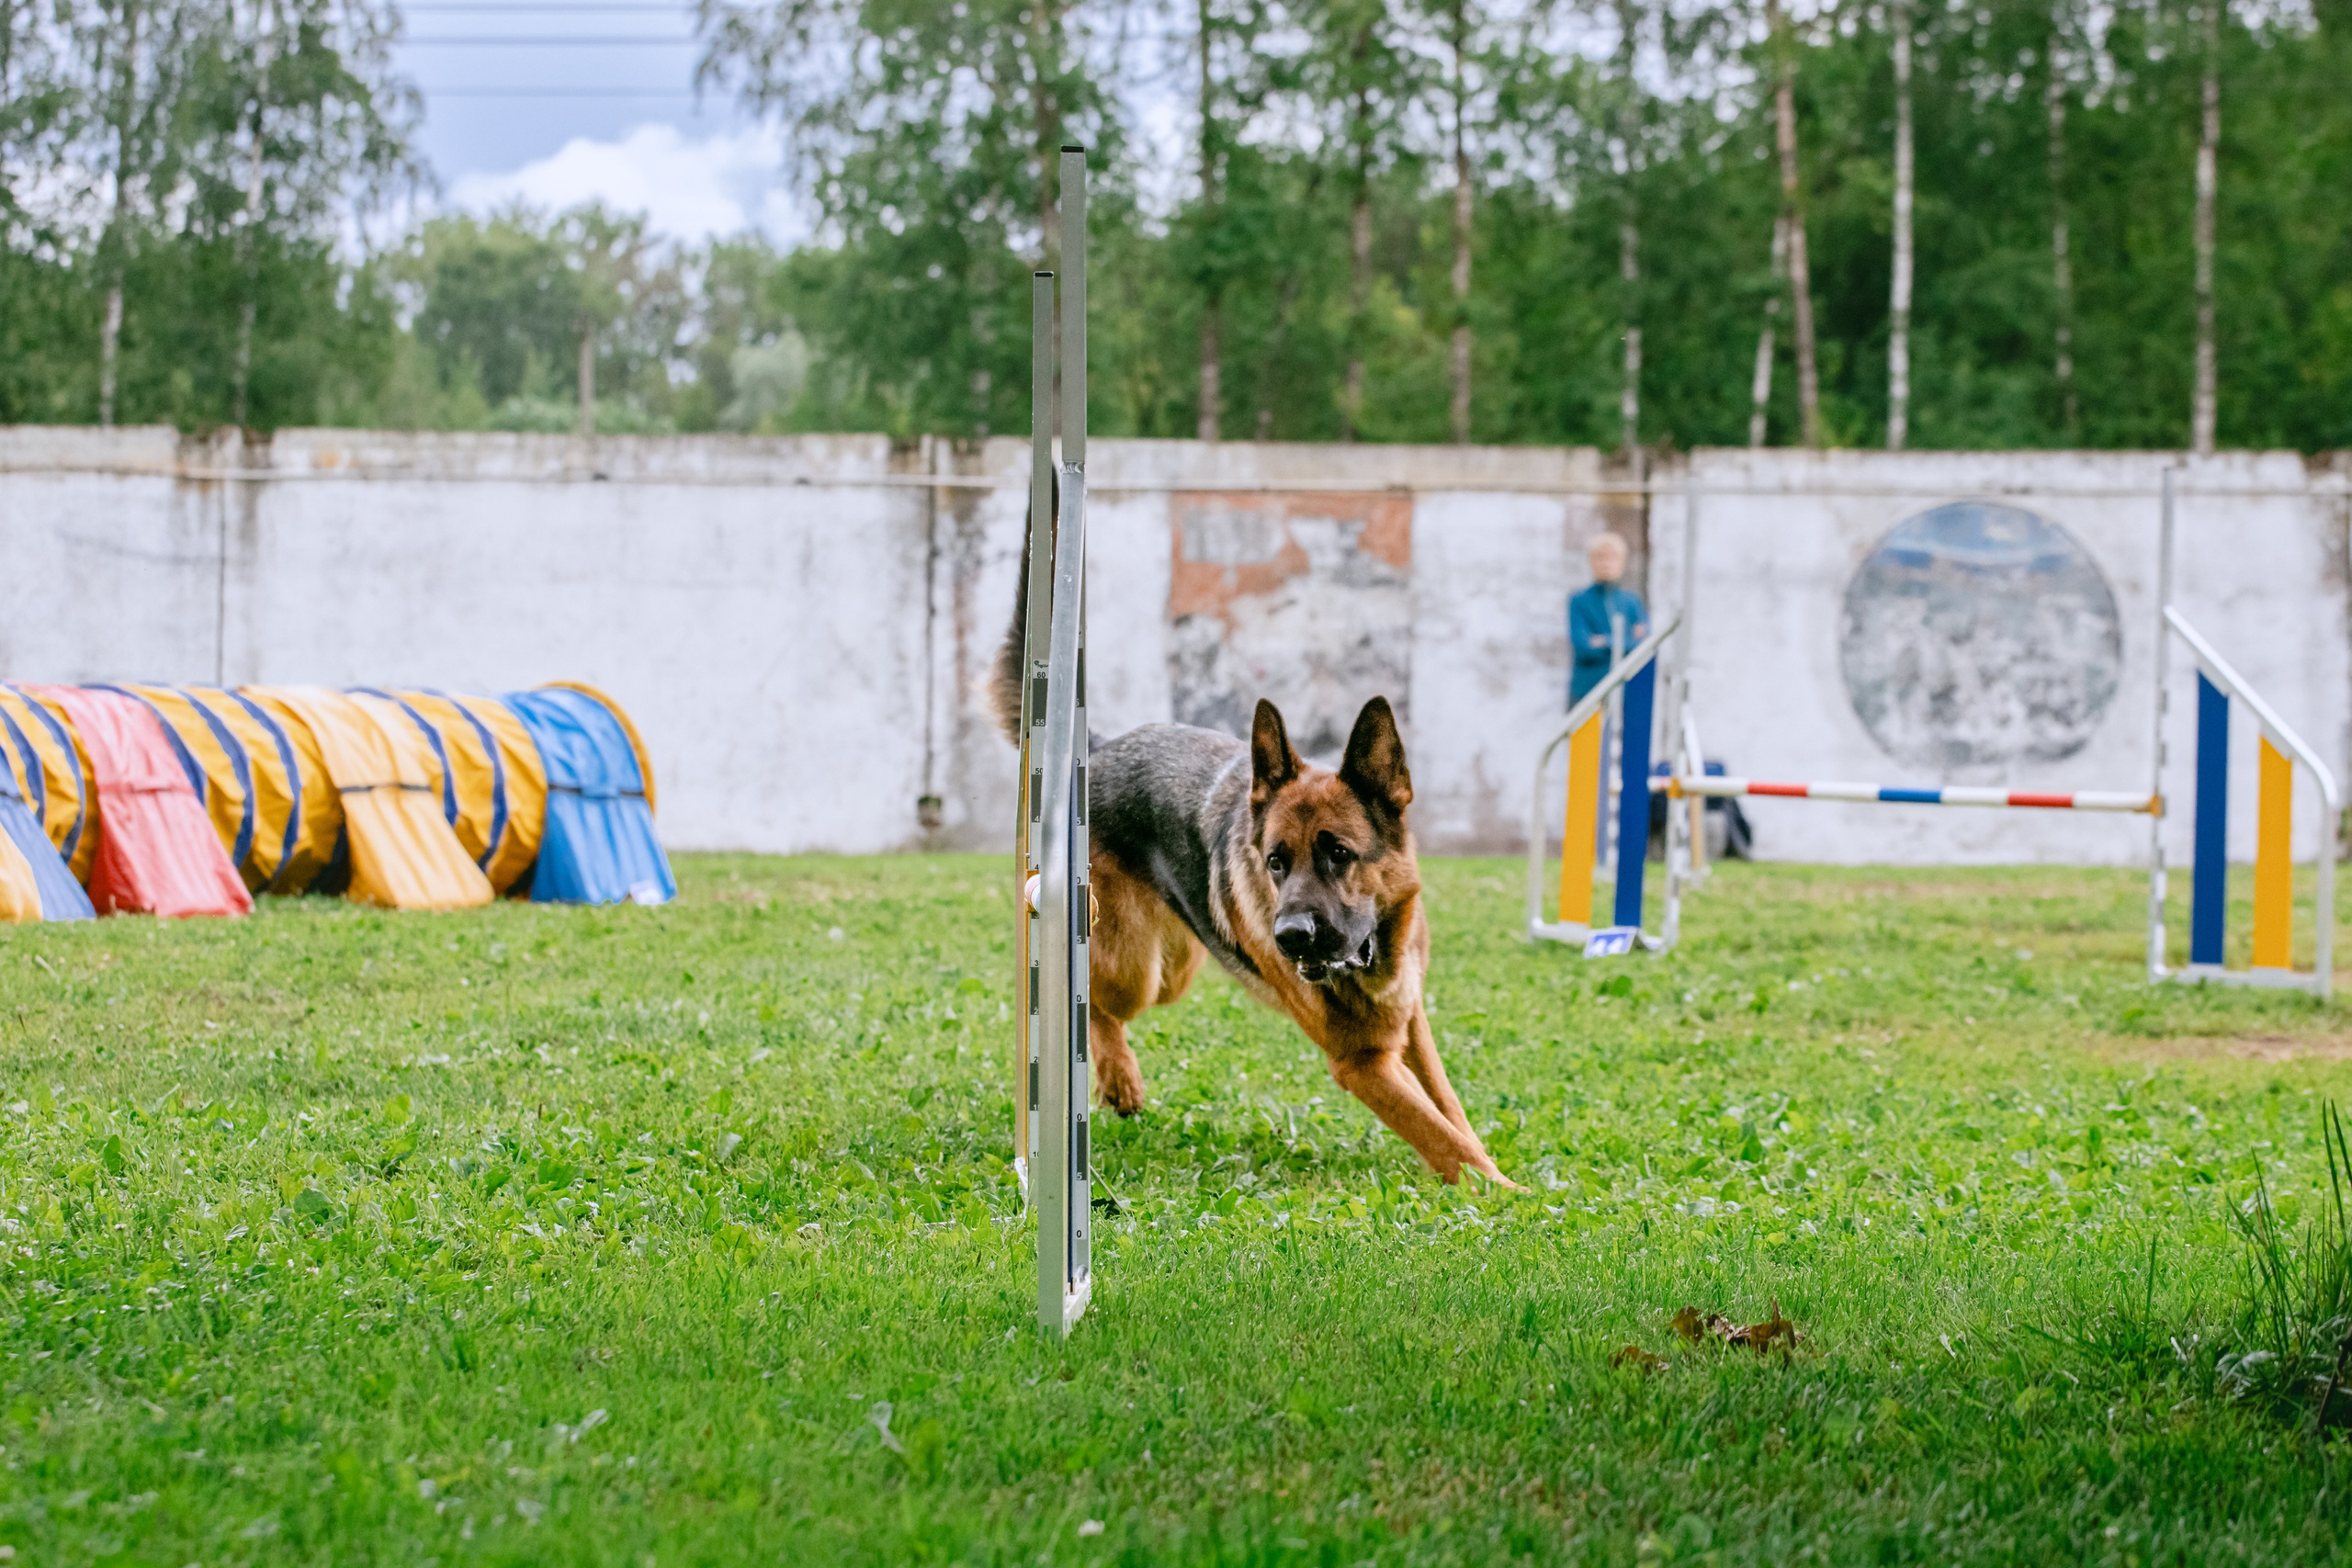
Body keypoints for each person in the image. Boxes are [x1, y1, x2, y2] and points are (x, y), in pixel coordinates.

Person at [1567, 531, 1648, 706]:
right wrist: (1625, 644)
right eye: (1600, 557)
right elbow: (1584, 648)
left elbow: (1643, 647)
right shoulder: (1579, 601)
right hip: (1587, 694)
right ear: (1591, 561)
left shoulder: (1632, 602)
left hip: (1626, 693)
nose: (1606, 563)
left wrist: (1605, 641)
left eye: (1613, 557)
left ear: (1622, 562)